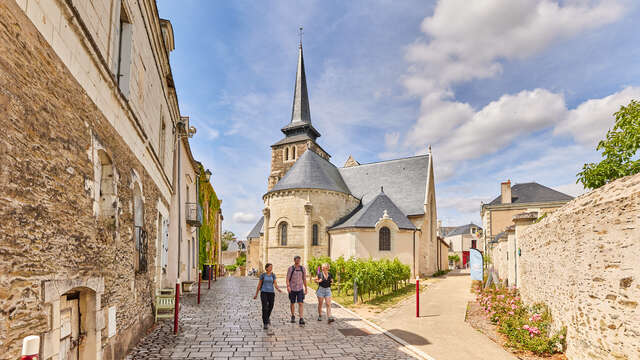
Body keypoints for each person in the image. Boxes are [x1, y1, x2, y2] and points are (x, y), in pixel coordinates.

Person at [253, 263, 282, 329]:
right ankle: (265, 323)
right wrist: (256, 294)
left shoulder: (273, 275)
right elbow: (259, 285)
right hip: (264, 292)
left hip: (271, 293)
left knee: (271, 306)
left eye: (272, 267)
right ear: (266, 268)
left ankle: (267, 317)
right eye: (270, 267)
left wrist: (278, 289)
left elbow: (275, 284)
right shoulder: (263, 275)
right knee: (265, 307)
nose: (271, 268)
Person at [286, 255, 308, 325]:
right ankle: (293, 316)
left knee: (300, 303)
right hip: (292, 289)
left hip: (300, 289)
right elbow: (287, 278)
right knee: (292, 303)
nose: (298, 261)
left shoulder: (302, 268)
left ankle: (301, 318)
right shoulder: (290, 268)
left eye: (299, 259)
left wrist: (306, 288)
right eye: (297, 259)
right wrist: (288, 286)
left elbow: (304, 279)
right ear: (294, 260)